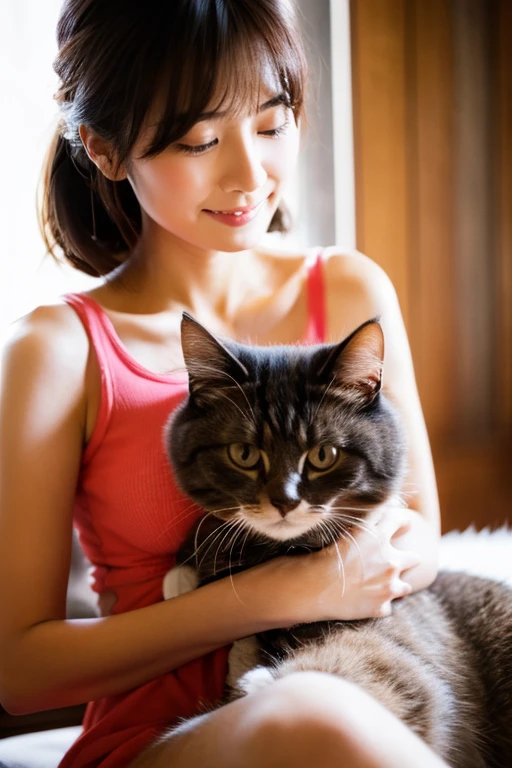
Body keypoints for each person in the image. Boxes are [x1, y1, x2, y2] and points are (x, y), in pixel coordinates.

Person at [0, 1, 446, 766]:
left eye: (272, 124)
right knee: (308, 717)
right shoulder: (57, 350)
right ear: (105, 149)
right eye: (200, 140)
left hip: (358, 680)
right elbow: (19, 671)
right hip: (161, 739)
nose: (249, 175)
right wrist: (276, 595)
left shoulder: (346, 291)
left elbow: (420, 537)